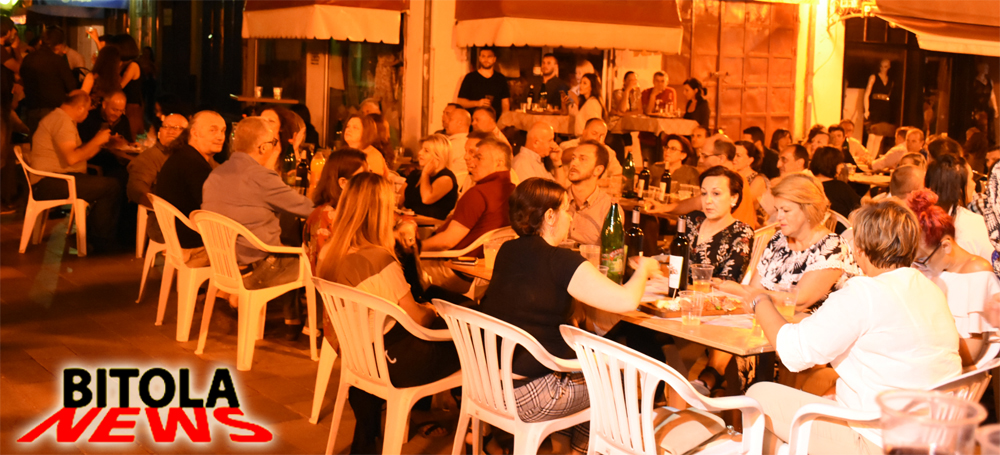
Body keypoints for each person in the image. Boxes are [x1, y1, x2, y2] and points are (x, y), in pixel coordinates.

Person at [747, 199, 961, 455]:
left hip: (879, 442)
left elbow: (793, 353)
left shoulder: (865, 292)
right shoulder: (930, 288)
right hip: (932, 435)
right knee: (822, 381)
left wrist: (759, 300)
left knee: (759, 395)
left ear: (859, 248)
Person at [478, 177, 662, 455]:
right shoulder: (561, 261)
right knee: (617, 382)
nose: (571, 217)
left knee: (583, 371)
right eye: (566, 209)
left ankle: (564, 448)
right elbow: (626, 301)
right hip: (532, 396)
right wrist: (644, 269)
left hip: (492, 383)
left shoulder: (508, 250)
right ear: (550, 216)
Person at [315, 172, 460, 455]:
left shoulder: (329, 251)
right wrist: (431, 311)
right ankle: (475, 433)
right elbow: (418, 318)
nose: (394, 212)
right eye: (390, 206)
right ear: (379, 212)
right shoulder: (379, 260)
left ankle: (366, 439)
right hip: (392, 362)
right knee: (472, 343)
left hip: (358, 354)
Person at [201, 117, 315, 334]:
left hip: (224, 264)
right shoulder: (261, 177)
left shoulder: (215, 175)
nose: (276, 148)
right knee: (319, 262)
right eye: (273, 143)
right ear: (263, 147)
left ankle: (287, 319)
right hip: (260, 266)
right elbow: (308, 209)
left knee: (287, 242)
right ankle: (313, 329)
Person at [716, 174, 859, 311]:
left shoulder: (832, 246)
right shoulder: (779, 240)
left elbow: (798, 302)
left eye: (786, 210)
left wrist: (740, 290)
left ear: (808, 210)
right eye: (777, 210)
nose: (778, 217)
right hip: (777, 321)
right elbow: (756, 288)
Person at [907, 189, 999, 367]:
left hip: (954, 371)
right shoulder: (927, 269)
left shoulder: (976, 273)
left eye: (921, 259)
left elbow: (970, 354)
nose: (918, 265)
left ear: (946, 247)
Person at [29, 91, 118, 251]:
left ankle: (92, 235)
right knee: (111, 186)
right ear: (80, 108)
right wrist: (97, 140)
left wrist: (101, 143)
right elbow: (72, 157)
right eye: (87, 110)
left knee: (107, 183)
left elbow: (80, 153)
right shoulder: (62, 122)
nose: (87, 114)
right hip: (48, 182)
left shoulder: (59, 118)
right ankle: (100, 241)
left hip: (53, 179)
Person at [153, 111, 226, 259]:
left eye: (223, 131)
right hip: (194, 245)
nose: (220, 137)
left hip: (179, 238)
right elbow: (214, 210)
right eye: (213, 130)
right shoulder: (193, 164)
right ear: (195, 133)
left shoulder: (184, 156)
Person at [423, 137, 515, 253]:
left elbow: (447, 241)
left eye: (479, 158)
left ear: (499, 163)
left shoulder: (479, 194)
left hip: (452, 260)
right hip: (491, 259)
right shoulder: (514, 191)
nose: (472, 163)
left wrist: (414, 247)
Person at [648, 140, 759, 229]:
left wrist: (663, 208)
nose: (700, 160)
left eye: (705, 156)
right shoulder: (734, 177)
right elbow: (697, 202)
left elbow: (697, 204)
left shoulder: (727, 180)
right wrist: (663, 207)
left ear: (721, 158)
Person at [682, 166, 754, 282]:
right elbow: (671, 261)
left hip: (709, 294)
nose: (707, 200)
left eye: (716, 193)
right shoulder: (691, 220)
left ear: (734, 198)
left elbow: (730, 281)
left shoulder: (741, 232)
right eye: (704, 193)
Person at [304, 148, 368, 270]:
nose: (369, 182)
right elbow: (329, 264)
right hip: (334, 278)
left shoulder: (346, 210)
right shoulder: (327, 216)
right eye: (362, 178)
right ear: (343, 183)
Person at [925, 153, 994, 264]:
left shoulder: (919, 219)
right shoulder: (976, 223)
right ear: (959, 189)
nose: (974, 184)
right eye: (971, 179)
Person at [19, 27, 76, 133]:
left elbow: (22, 78)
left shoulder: (28, 59)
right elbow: (71, 86)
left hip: (32, 110)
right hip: (54, 110)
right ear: (58, 45)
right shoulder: (58, 61)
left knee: (37, 141)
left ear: (41, 42)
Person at [127, 113, 188, 208]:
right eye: (166, 127)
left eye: (177, 128)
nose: (170, 131)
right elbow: (137, 187)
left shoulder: (190, 156)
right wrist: (159, 207)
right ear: (159, 132)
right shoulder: (149, 157)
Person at [565, 140, 612, 246]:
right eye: (573, 158)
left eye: (583, 159)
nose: (573, 163)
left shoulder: (608, 209)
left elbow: (612, 252)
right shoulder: (556, 200)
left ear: (598, 170)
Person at [403, 134, 458, 220]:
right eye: (421, 149)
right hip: (410, 221)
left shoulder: (446, 178)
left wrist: (425, 174)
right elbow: (399, 200)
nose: (420, 153)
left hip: (431, 225)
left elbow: (426, 198)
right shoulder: (415, 175)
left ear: (438, 156)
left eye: (426, 151)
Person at [559, 118, 622, 187]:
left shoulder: (609, 152)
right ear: (584, 132)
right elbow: (563, 157)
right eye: (594, 134)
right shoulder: (567, 145)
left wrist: (598, 183)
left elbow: (619, 176)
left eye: (601, 136)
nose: (597, 138)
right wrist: (587, 148)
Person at [810, 147, 860, 222]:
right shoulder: (842, 188)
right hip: (841, 228)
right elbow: (859, 210)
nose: (842, 166)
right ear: (832, 164)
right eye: (840, 163)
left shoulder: (808, 186)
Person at [457, 47, 509, 116]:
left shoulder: (500, 79)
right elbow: (460, 101)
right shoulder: (470, 78)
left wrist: (504, 119)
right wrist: (477, 103)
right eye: (483, 56)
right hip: (474, 120)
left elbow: (505, 104)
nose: (486, 59)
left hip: (495, 121)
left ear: (494, 59)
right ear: (479, 58)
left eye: (489, 56)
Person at [343, 113, 388, 177]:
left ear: (366, 132)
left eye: (355, 127)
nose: (348, 130)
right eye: (347, 126)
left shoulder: (373, 157)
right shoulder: (344, 152)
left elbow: (372, 182)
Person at [567, 73, 605, 139]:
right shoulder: (586, 102)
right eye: (580, 83)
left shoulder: (593, 102)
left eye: (584, 83)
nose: (581, 85)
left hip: (587, 139)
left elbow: (595, 125)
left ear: (592, 87)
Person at [733, 140, 768, 210]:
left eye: (738, 156)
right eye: (733, 155)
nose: (734, 158)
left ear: (750, 160)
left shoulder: (758, 180)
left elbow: (744, 204)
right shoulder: (731, 176)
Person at [443, 106, 471, 183]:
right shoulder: (469, 143)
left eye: (450, 119)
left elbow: (435, 167)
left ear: (460, 123)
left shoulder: (454, 145)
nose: (447, 122)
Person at [864, 59, 894, 127]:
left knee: (883, 128)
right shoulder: (873, 77)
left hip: (885, 107)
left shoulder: (891, 80)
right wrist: (866, 109)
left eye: (885, 67)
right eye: (881, 66)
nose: (882, 69)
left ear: (889, 67)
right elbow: (867, 94)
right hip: (875, 106)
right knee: (873, 127)